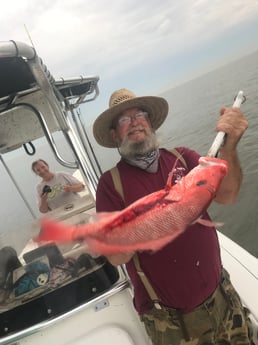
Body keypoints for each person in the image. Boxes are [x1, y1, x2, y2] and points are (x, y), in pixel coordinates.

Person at [93, 89, 253, 345]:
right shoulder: (110, 185)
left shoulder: (182, 157)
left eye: (140, 114)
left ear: (150, 122)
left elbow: (228, 195)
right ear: (114, 135)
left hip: (222, 293)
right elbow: (115, 256)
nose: (134, 122)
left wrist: (229, 149)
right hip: (175, 322)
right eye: (124, 120)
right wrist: (159, 219)